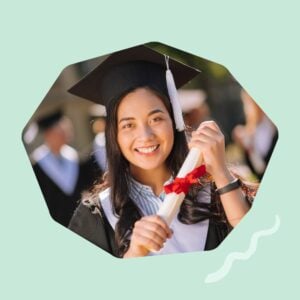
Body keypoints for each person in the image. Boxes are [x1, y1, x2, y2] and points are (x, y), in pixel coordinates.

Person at [68, 45, 256, 258]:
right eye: (129, 125)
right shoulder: (96, 217)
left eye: (156, 119)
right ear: (114, 136)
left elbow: (255, 250)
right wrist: (135, 252)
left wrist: (221, 172)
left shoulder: (216, 193)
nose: (146, 135)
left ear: (175, 121)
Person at [31, 109, 94, 227]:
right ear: (48, 135)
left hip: (79, 224)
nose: (66, 134)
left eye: (66, 130)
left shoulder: (75, 159)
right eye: (61, 131)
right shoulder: (37, 166)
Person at [232, 90, 278, 180]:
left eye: (249, 103)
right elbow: (258, 170)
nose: (247, 109)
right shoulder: (246, 132)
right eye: (246, 104)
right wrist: (245, 147)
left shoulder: (273, 127)